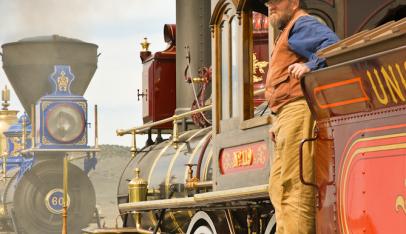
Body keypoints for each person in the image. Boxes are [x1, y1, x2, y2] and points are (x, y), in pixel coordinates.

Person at [264, 0, 339, 233]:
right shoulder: (290, 30)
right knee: (279, 188)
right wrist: (277, 118)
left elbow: (333, 45)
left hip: (298, 110)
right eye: (268, 2)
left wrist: (312, 65)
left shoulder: (301, 24)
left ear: (294, 2)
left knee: (296, 188)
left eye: (276, 1)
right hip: (287, 114)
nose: (270, 6)